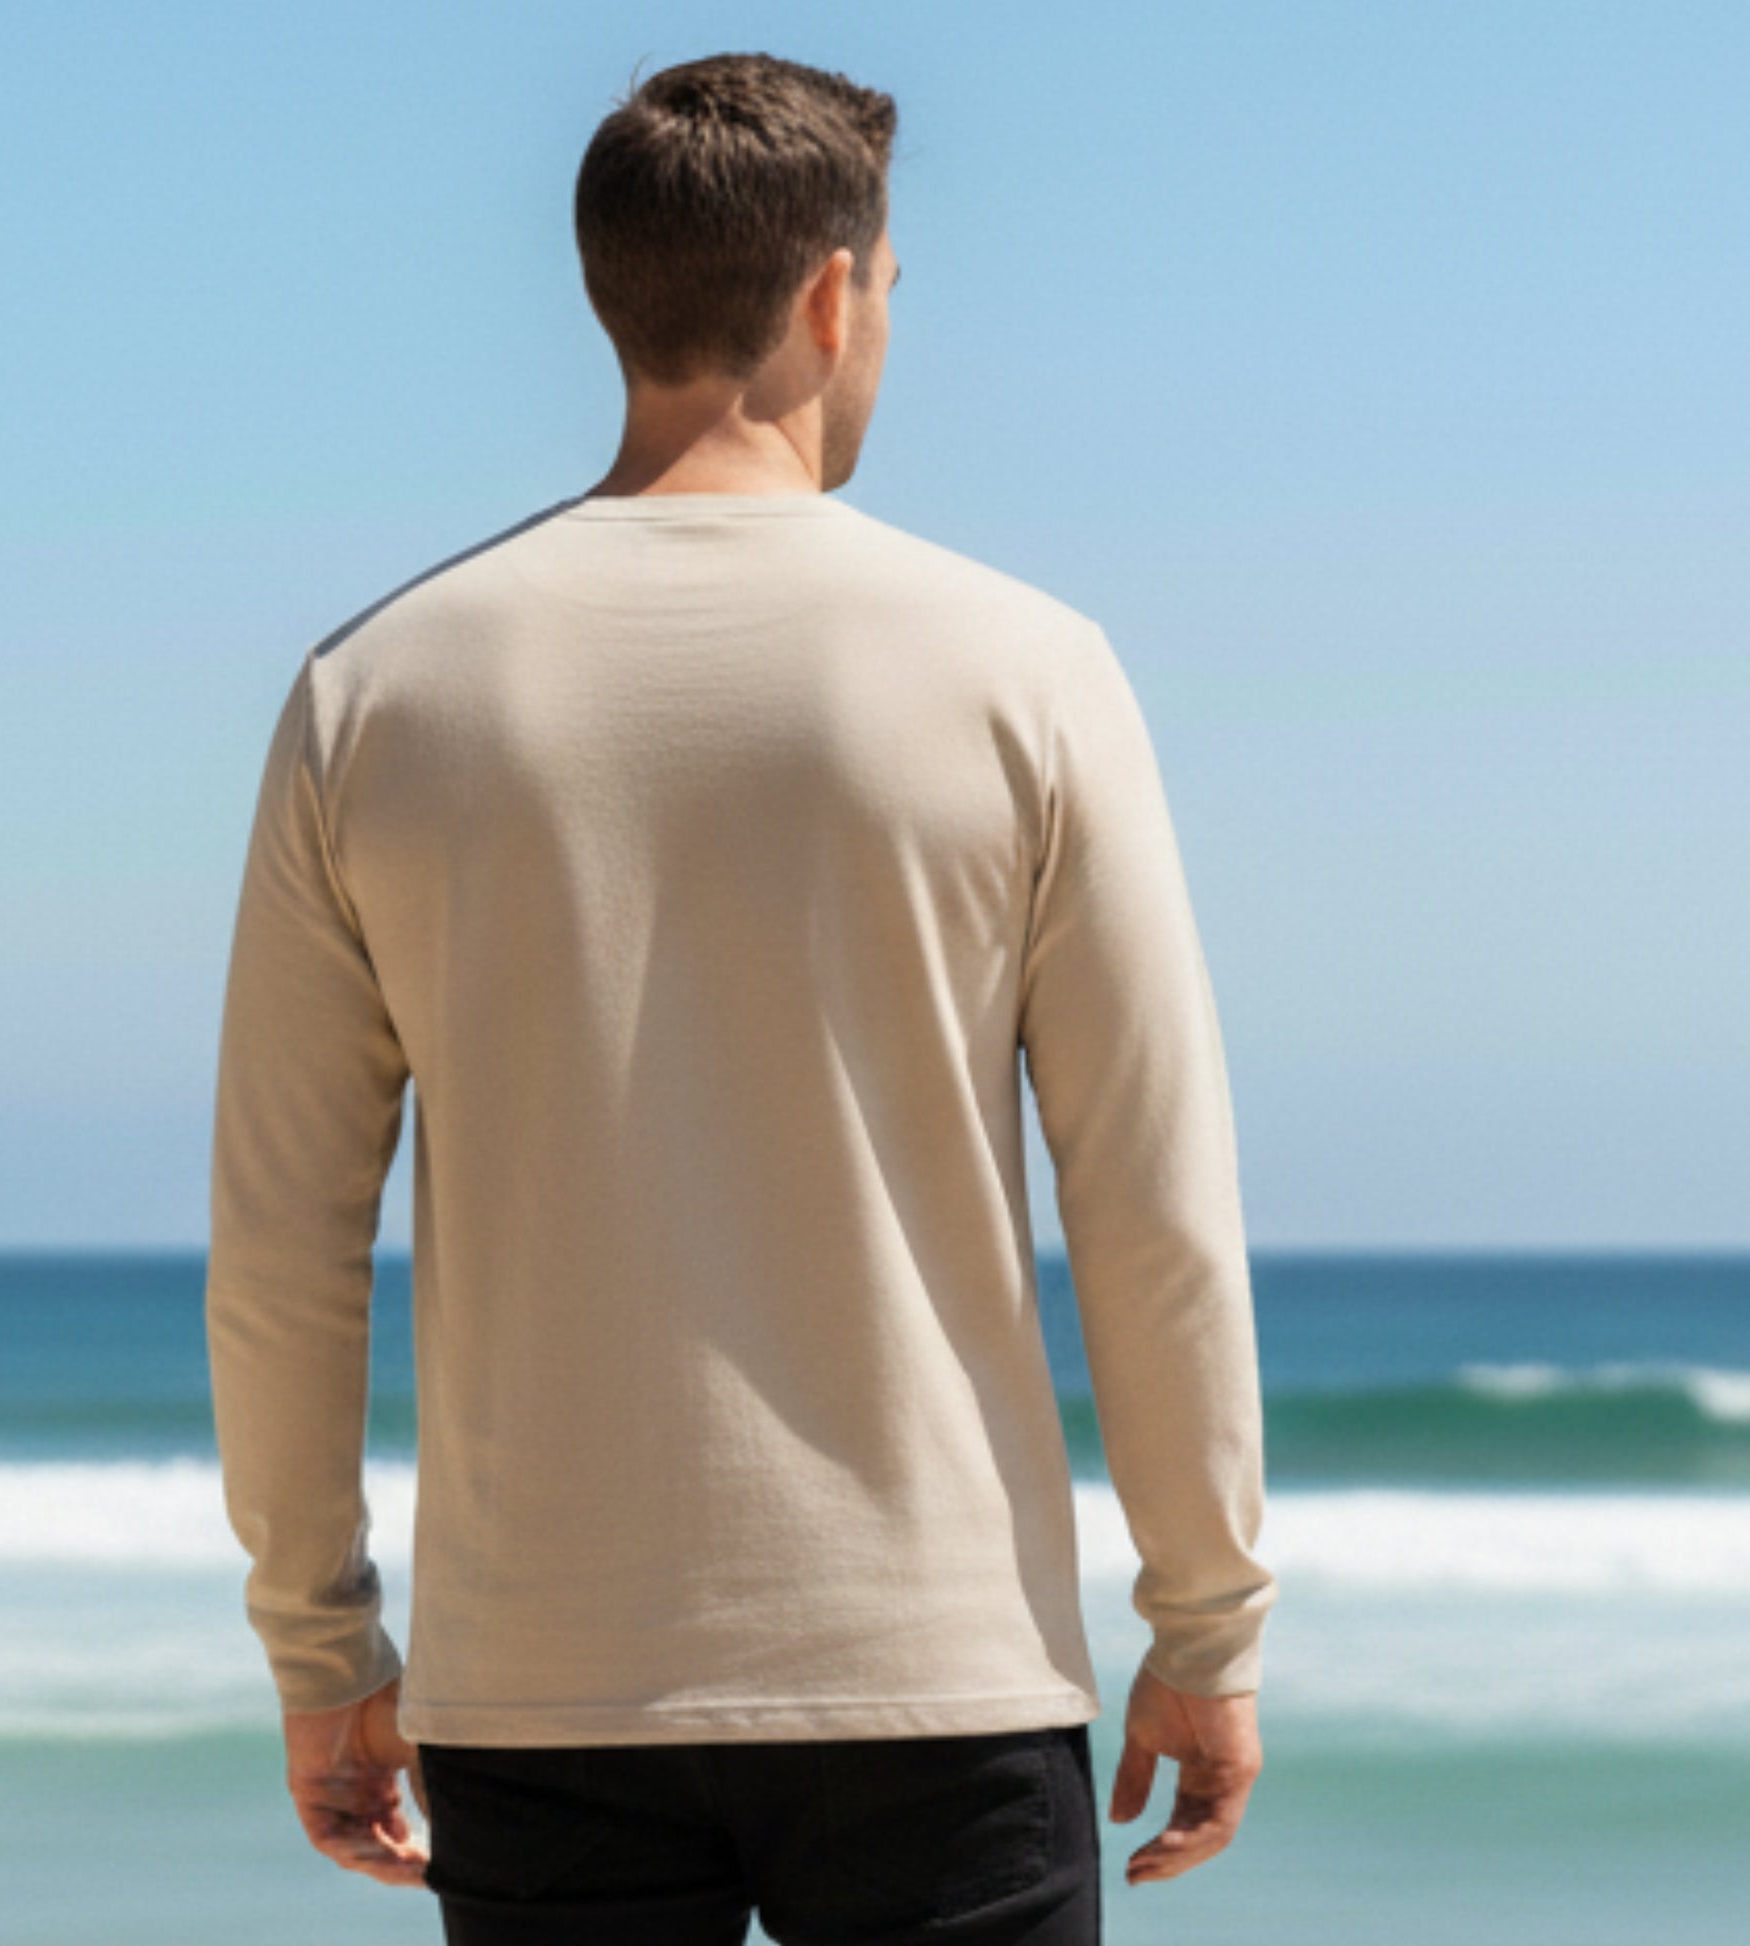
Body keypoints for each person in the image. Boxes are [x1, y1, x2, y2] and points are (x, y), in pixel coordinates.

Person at [205, 48, 1277, 1946]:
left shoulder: (372, 692)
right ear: (829, 295)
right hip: (936, 1672)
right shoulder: (1027, 671)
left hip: (536, 1680)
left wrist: (321, 1642)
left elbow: (283, 1238)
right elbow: (1151, 1198)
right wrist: (1203, 1621)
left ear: (613, 295)